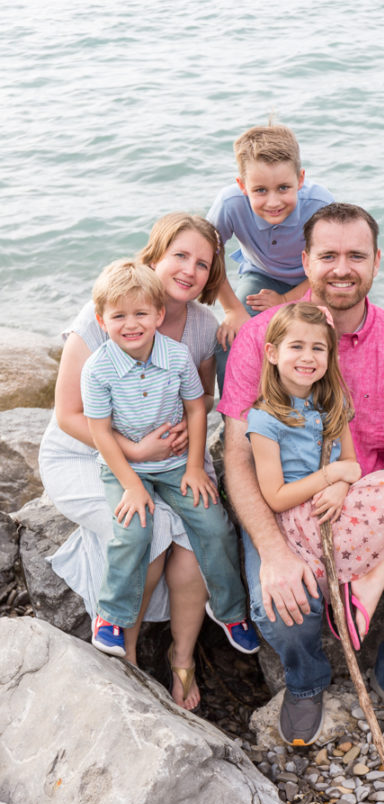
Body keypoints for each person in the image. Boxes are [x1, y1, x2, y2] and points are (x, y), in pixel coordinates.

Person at [218, 202, 384, 746]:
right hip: (287, 504)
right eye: (328, 255)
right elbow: (237, 455)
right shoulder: (262, 338)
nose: (341, 268)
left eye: (356, 255)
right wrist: (273, 550)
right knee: (279, 601)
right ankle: (305, 680)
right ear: (305, 261)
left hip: (377, 504)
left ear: (376, 262)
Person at [39, 213, 259, 712]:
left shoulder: (200, 327)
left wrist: (192, 456)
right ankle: (128, 659)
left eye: (203, 264)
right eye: (179, 255)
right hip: (88, 450)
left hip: (167, 456)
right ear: (154, 256)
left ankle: (184, 659)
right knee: (152, 526)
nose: (189, 270)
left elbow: (198, 397)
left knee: (196, 533)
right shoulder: (110, 313)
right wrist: (135, 453)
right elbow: (70, 415)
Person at [247, 302, 384, 653]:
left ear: (330, 356)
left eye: (318, 348)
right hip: (306, 518)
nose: (307, 357)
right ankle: (364, 584)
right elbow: (276, 497)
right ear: (271, 352)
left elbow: (352, 466)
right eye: (296, 347)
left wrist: (342, 485)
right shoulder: (265, 420)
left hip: (341, 502)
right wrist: (331, 477)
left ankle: (371, 582)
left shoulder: (333, 404)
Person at [81, 260, 248, 686]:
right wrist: (132, 485)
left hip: (175, 464)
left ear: (158, 314)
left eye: (140, 314)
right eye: (118, 316)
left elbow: (197, 407)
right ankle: (111, 616)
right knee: (134, 528)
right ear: (102, 321)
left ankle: (229, 613)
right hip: (124, 467)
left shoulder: (175, 356)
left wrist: (194, 466)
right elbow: (99, 432)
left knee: (213, 521)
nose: (131, 324)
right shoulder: (98, 369)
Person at [206, 123, 334, 393]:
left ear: (300, 180)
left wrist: (288, 300)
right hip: (261, 275)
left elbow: (332, 265)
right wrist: (233, 310)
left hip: (314, 279)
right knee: (230, 339)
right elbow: (208, 254)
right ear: (242, 185)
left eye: (284, 188)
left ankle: (317, 412)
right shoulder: (230, 204)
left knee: (324, 339)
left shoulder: (320, 205)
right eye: (261, 190)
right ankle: (235, 418)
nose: (273, 202)